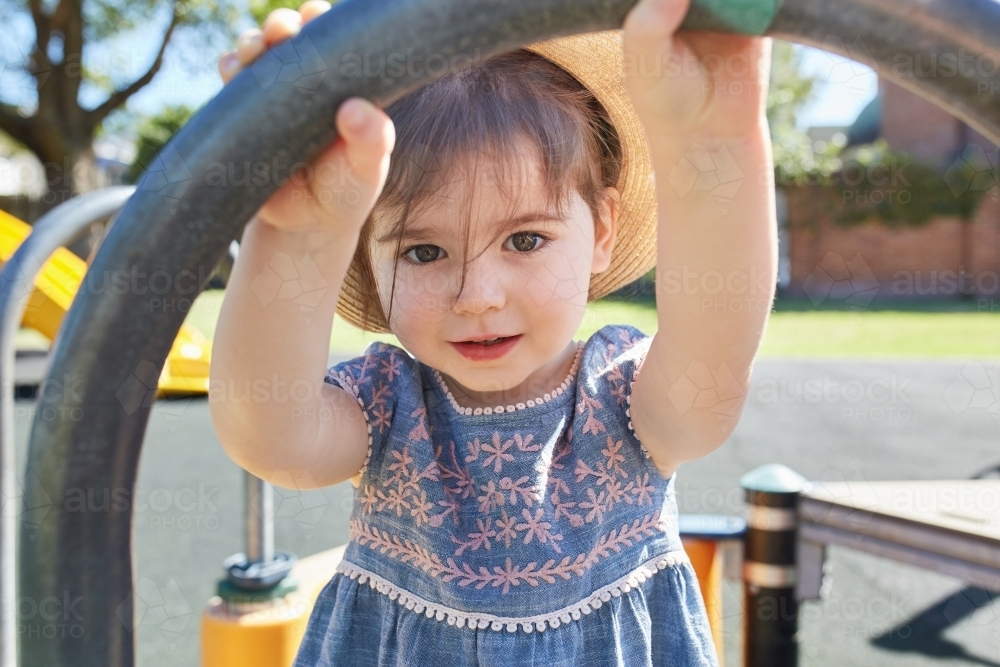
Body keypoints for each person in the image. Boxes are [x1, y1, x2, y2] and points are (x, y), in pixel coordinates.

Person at [211, 0, 776, 664]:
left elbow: (709, 383)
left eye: (525, 238)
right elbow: (270, 436)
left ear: (600, 229)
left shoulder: (623, 400)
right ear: (369, 251)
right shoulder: (389, 405)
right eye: (424, 252)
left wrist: (712, 149)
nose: (477, 296)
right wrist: (295, 236)